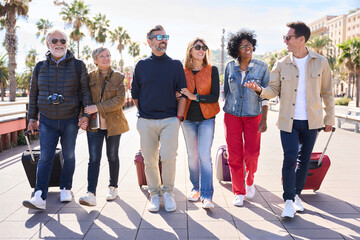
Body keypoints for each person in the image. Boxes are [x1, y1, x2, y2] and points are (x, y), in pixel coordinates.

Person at [245, 21, 335, 218]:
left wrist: (330, 118)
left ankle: (296, 196)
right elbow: (273, 90)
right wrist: (260, 90)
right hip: (288, 121)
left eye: (288, 37)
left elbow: (327, 92)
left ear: (301, 39)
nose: (285, 41)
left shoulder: (321, 62)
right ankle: (287, 200)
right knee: (290, 158)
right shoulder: (281, 64)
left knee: (304, 161)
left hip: (312, 121)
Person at [23, 29, 92, 210]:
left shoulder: (78, 65)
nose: (59, 44)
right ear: (48, 44)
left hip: (70, 120)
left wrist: (86, 115)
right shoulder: (39, 67)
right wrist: (31, 118)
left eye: (63, 40)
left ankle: (65, 188)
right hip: (47, 120)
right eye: (55, 40)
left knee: (69, 155)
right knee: (45, 157)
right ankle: (39, 195)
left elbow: (85, 92)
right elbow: (34, 95)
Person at [131, 25, 187, 213]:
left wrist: (178, 118)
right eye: (159, 37)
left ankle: (168, 193)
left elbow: (183, 94)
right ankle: (155, 194)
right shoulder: (141, 65)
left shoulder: (176, 65)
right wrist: (145, 115)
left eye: (166, 36)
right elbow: (136, 95)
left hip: (170, 119)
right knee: (150, 160)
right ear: (149, 41)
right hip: (146, 121)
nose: (163, 40)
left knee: (169, 157)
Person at [223, 29, 269, 207]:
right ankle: (238, 191)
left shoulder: (262, 67)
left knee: (252, 154)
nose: (247, 47)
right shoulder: (229, 66)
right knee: (234, 155)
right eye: (243, 46)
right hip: (232, 116)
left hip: (253, 116)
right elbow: (227, 92)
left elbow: (266, 95)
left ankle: (250, 180)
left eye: (249, 44)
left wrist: (264, 119)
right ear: (236, 50)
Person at [78, 47, 129, 206]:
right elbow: (83, 98)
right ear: (95, 60)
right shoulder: (89, 77)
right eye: (102, 56)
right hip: (94, 125)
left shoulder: (119, 77)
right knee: (94, 159)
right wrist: (83, 116)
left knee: (112, 156)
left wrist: (97, 107)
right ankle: (90, 193)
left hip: (114, 125)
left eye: (108, 55)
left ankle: (113, 187)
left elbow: (120, 100)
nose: (106, 58)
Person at [180, 38, 220, 209]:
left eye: (204, 47)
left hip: (207, 119)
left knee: (204, 156)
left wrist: (194, 97)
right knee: (192, 156)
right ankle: (195, 188)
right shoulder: (182, 72)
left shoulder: (212, 70)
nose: (201, 50)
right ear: (190, 50)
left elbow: (214, 96)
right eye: (197, 47)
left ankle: (206, 195)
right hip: (187, 120)